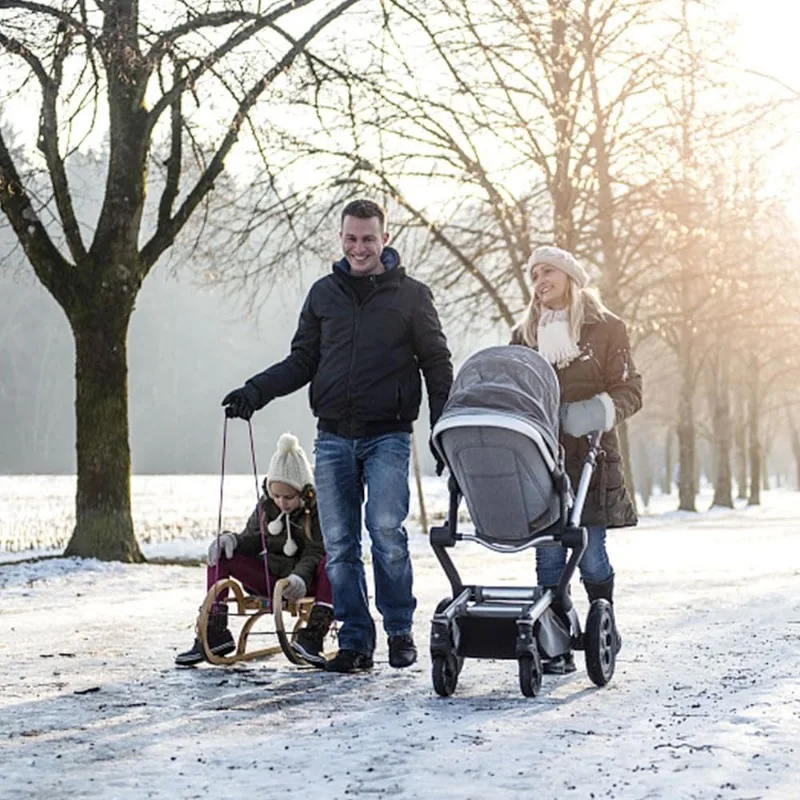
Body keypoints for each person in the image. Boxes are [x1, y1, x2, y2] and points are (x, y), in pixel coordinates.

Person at [221, 199, 453, 674]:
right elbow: (302, 361)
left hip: (388, 435)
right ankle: (354, 641)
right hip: (333, 438)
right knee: (341, 544)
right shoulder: (323, 295)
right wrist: (255, 391)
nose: (359, 247)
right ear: (341, 239)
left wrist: (443, 427)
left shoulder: (411, 296)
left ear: (384, 239)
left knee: (386, 532)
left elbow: (436, 363)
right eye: (351, 238)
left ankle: (399, 629)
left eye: (368, 238)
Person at [511, 245, 643, 674]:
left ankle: (601, 619)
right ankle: (555, 642)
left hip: (591, 457)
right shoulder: (524, 335)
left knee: (590, 554)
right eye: (534, 276)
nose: (540, 282)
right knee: (549, 557)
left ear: (569, 276)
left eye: (548, 272)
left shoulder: (606, 329)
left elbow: (630, 391)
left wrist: (588, 414)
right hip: (540, 460)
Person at [175, 433, 334, 667]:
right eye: (276, 495)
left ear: (303, 491)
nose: (282, 502)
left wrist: (298, 578)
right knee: (222, 555)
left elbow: (314, 551)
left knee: (331, 560)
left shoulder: (316, 511)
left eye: (289, 497)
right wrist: (233, 541)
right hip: (270, 580)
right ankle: (216, 631)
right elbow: (253, 539)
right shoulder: (266, 507)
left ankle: (313, 635)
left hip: (303, 581)